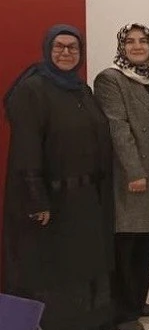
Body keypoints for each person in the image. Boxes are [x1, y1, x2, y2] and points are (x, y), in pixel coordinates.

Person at [2, 25, 115, 330]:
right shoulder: (32, 90)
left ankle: (88, 322)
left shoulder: (81, 90)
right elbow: (26, 149)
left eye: (73, 47)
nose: (66, 52)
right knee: (55, 269)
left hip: (86, 198)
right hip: (53, 201)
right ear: (48, 49)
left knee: (84, 265)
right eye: (59, 46)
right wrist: (37, 199)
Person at [94, 23, 149, 330]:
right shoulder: (110, 79)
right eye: (130, 41)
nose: (137, 46)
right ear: (121, 46)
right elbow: (118, 128)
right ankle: (122, 312)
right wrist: (134, 171)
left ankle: (137, 301)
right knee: (126, 244)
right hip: (131, 176)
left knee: (146, 242)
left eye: (143, 41)